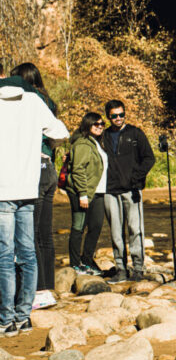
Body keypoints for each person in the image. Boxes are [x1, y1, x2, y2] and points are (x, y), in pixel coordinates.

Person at [0, 65, 67, 334]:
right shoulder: (33, 101)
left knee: (4, 256)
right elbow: (61, 133)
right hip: (28, 187)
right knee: (27, 253)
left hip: (2, 189)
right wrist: (42, 145)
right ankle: (23, 316)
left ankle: (6, 320)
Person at [100, 100, 155, 282]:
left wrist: (136, 178)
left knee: (135, 229)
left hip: (132, 190)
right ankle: (121, 268)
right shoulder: (103, 135)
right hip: (110, 190)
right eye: (114, 115)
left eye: (121, 115)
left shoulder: (135, 134)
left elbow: (149, 158)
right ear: (109, 116)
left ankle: (138, 268)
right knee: (116, 232)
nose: (118, 118)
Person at [67, 113, 109, 277]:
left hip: (98, 192)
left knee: (96, 226)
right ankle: (75, 264)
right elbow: (78, 170)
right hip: (83, 192)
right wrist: (82, 194)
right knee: (78, 227)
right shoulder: (83, 143)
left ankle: (87, 260)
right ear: (87, 125)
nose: (99, 126)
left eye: (101, 124)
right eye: (95, 124)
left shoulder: (98, 143)